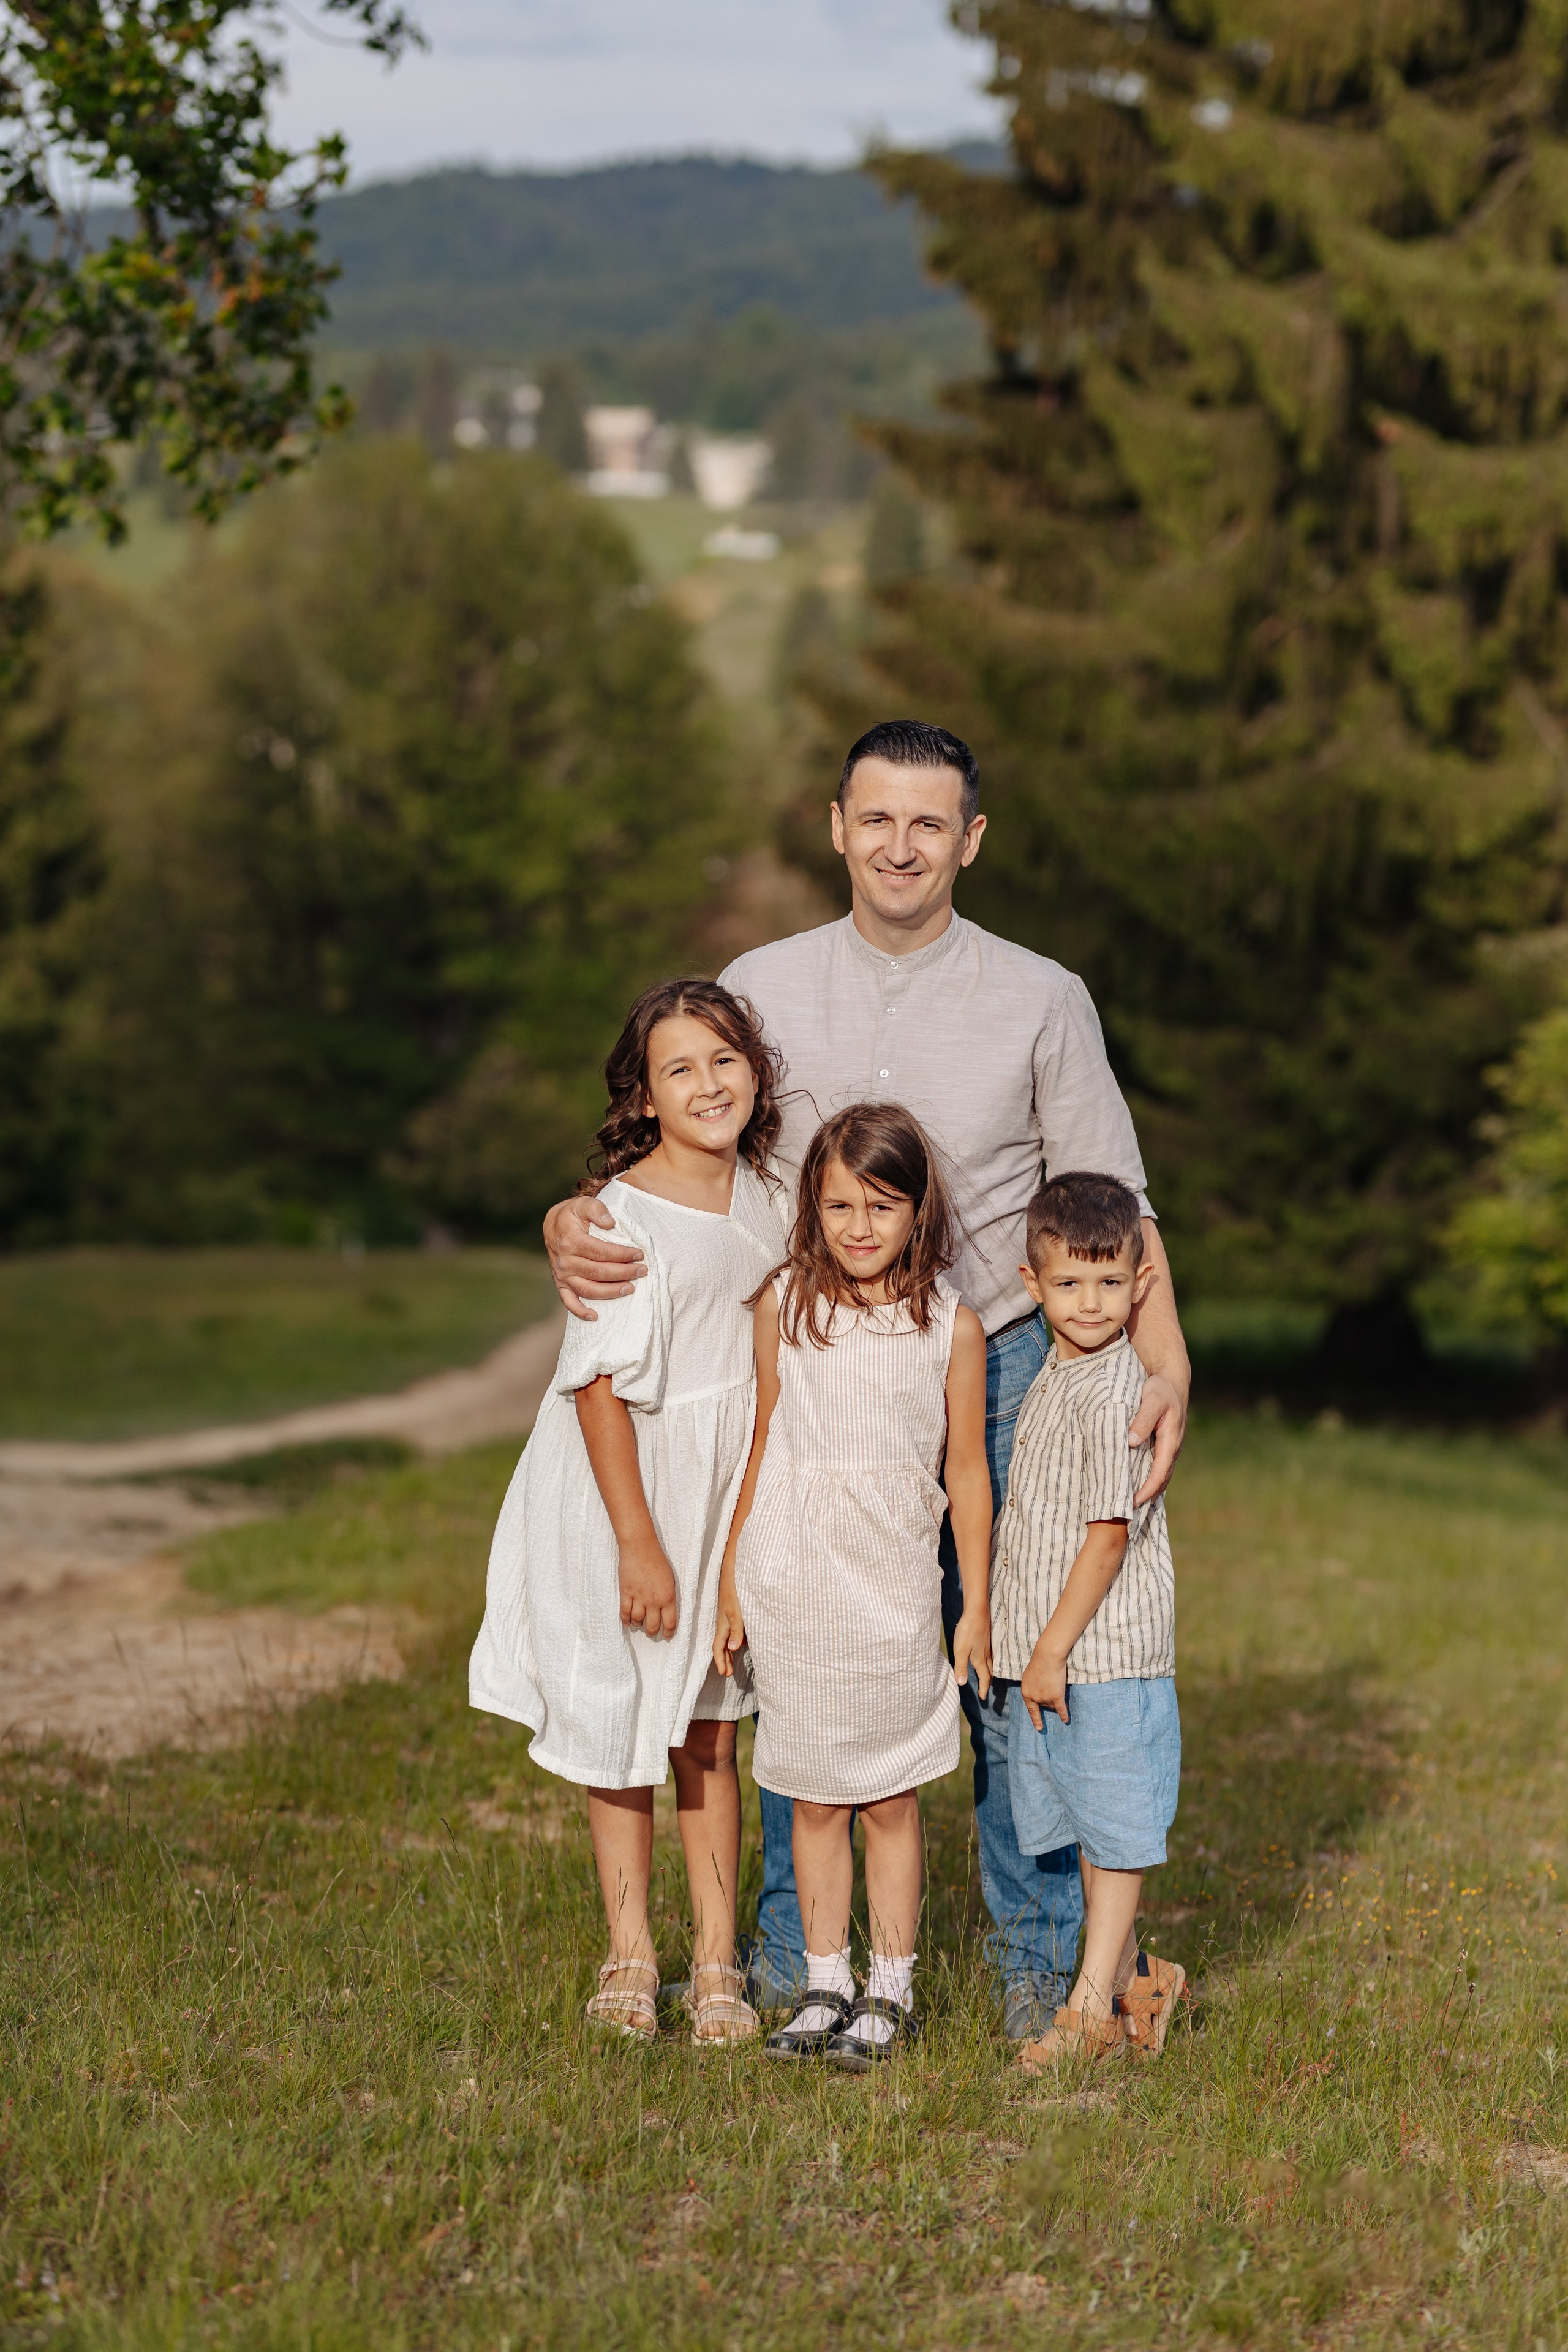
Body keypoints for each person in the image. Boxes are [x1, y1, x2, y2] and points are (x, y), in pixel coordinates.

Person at [542, 717, 1192, 2038]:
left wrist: (1162, 1349)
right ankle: (800, 1955)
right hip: (813, 1366)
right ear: (836, 827)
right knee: (810, 1646)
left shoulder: (1040, 995)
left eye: (929, 823)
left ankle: (1036, 1952)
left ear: (970, 840)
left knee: (1008, 1667)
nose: (901, 846)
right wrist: (577, 1214)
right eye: (875, 819)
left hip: (995, 1357)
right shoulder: (762, 982)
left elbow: (1114, 1199)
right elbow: (685, 1139)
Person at [469, 978, 787, 2045]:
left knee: (709, 1730)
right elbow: (597, 1389)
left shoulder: (774, 1197)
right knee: (618, 1728)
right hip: (625, 1493)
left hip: (721, 1489)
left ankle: (713, 1963)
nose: (708, 1084)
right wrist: (638, 1544)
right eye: (680, 1069)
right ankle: (627, 1954)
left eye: (725, 1060)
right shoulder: (619, 1217)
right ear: (644, 1097)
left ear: (757, 1070)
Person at [713, 1102, 992, 2069]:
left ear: (920, 1211)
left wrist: (979, 1603)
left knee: (890, 1800)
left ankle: (892, 1989)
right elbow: (764, 1444)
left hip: (894, 1593)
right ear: (812, 1208)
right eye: (839, 1207)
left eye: (883, 1206)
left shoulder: (952, 1328)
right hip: (795, 1584)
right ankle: (825, 1981)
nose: (860, 1228)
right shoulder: (785, 1303)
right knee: (813, 1799)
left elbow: (966, 1476)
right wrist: (733, 1580)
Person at [993, 1170, 1184, 2068]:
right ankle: (1135, 1984)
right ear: (1033, 1286)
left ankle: (1085, 2015)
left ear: (1140, 1285)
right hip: (1054, 1655)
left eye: (1111, 1284)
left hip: (1098, 1657)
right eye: (1069, 1283)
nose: (1091, 1302)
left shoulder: (1116, 1394)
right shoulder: (1054, 1376)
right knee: (1082, 1820)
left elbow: (1105, 1542)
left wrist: (1050, 1648)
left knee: (1113, 1830)